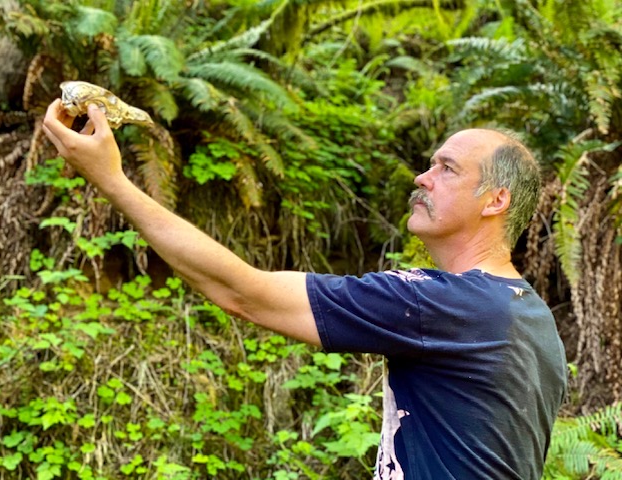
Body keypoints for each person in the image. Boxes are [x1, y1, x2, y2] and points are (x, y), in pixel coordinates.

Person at [42, 99, 567, 479]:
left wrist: (111, 179)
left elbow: (242, 293)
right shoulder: (537, 322)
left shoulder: (440, 303)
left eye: (445, 169)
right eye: (430, 163)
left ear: (494, 201)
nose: (420, 177)